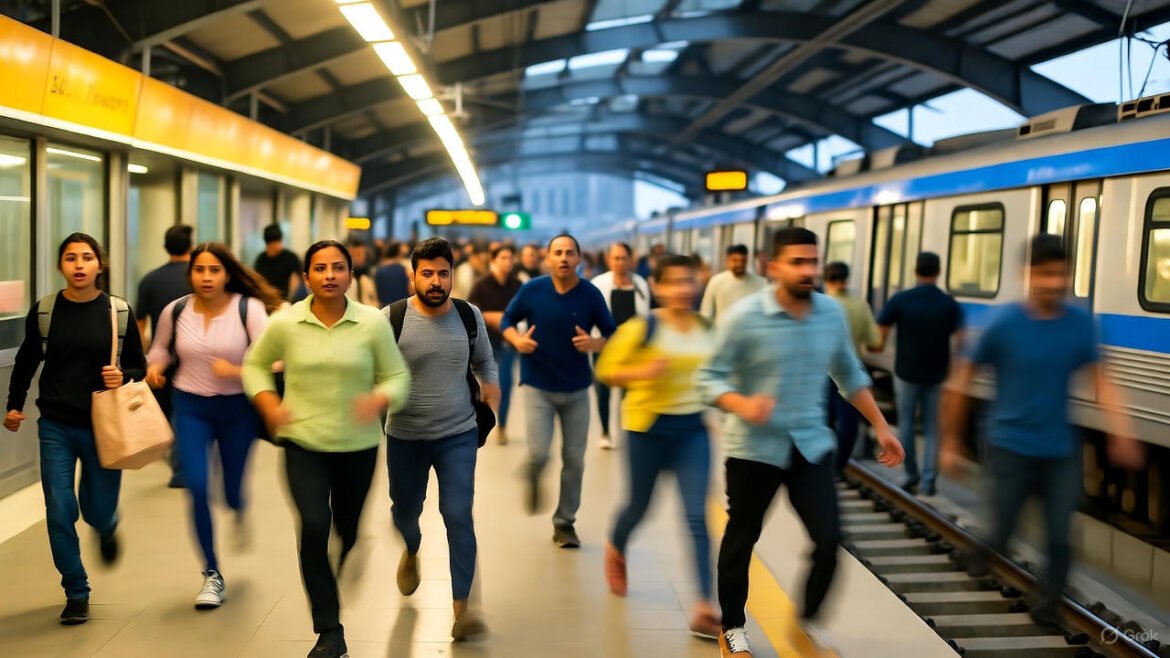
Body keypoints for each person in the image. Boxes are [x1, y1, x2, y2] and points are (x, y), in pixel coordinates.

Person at [698, 227, 905, 658]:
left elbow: (848, 374)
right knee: (742, 537)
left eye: (812, 261)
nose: (808, 270)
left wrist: (882, 427)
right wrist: (742, 403)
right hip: (753, 447)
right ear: (772, 267)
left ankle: (802, 625)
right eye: (797, 262)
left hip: (810, 445)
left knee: (829, 539)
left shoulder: (830, 314)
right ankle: (732, 628)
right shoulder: (744, 317)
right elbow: (708, 378)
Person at [940, 234, 1142, 630]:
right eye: (1044, 274)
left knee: (1061, 537)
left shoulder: (1081, 324)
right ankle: (980, 551)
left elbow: (1101, 381)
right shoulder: (1003, 324)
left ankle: (1047, 606)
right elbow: (962, 380)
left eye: (1060, 275)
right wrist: (949, 441)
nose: (1053, 283)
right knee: (1002, 530)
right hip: (1009, 445)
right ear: (1026, 274)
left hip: (1059, 449)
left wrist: (1122, 431)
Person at [242, 240, 411, 658]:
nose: (330, 275)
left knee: (346, 529)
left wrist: (379, 398)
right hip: (303, 443)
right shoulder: (286, 322)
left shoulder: (372, 323)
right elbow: (255, 365)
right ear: (306, 278)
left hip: (359, 446)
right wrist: (268, 403)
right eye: (320, 268)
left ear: (351, 275)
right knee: (315, 526)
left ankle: (352, 547)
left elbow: (398, 376)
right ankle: (329, 630)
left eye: (338, 267)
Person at [4, 233, 147, 625]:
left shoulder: (117, 312)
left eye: (87, 257)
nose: (79, 264)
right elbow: (27, 360)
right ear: (60, 266)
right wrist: (14, 405)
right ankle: (76, 590)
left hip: (105, 427)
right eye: (71, 258)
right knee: (59, 508)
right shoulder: (46, 310)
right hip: (56, 425)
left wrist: (124, 375)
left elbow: (140, 366)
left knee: (97, 509)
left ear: (100, 265)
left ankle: (107, 525)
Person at [145, 243, 282, 609]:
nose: (206, 277)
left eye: (214, 270)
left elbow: (275, 361)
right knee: (198, 484)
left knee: (232, 489)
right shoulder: (175, 311)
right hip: (190, 408)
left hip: (239, 410)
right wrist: (154, 367)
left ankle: (238, 507)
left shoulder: (247, 309)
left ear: (227, 273)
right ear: (190, 273)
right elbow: (160, 349)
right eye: (199, 270)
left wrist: (236, 371)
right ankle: (212, 572)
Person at [595, 254, 721, 638]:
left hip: (692, 432)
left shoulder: (707, 327)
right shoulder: (641, 328)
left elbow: (718, 372)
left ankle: (703, 605)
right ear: (659, 288)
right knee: (639, 506)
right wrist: (641, 372)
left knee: (698, 518)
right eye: (675, 282)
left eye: (690, 281)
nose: (684, 289)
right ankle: (616, 545)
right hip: (646, 429)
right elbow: (605, 370)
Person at [385, 237, 499, 641]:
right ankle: (412, 548)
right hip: (404, 436)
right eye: (427, 273)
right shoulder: (391, 318)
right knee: (404, 511)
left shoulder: (469, 317)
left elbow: (485, 361)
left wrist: (492, 388)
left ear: (453, 275)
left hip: (458, 433)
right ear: (412, 275)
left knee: (457, 514)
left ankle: (462, 610)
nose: (436, 282)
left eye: (443, 274)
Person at [501, 234, 617, 548]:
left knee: (574, 459)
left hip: (577, 389)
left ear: (580, 259)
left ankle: (565, 523)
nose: (564, 258)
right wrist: (517, 340)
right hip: (538, 385)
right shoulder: (532, 290)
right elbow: (508, 320)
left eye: (570, 253)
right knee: (539, 452)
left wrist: (595, 344)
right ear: (547, 258)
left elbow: (612, 334)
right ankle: (534, 473)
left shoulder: (590, 295)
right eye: (558, 253)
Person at [874, 252, 963, 495]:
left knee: (906, 424)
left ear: (916, 270)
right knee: (933, 427)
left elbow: (880, 333)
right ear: (938, 272)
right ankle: (928, 480)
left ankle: (910, 474)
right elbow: (961, 341)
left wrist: (875, 348)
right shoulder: (948, 303)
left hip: (906, 372)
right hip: (936, 375)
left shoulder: (902, 299)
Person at [136, 224, 195, 488]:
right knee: (184, 411)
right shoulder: (196, 278)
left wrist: (147, 355)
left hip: (159, 359)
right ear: (190, 247)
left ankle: (177, 454)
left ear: (165, 247)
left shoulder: (149, 279)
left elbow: (140, 324)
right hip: (192, 356)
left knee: (169, 408)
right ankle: (183, 462)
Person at [822, 261, 882, 476]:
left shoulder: (821, 304)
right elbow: (875, 342)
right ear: (847, 279)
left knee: (823, 420)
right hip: (851, 372)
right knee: (849, 424)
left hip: (823, 372)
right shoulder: (860, 305)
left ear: (826, 280)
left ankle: (821, 466)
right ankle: (838, 467)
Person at [590, 242, 651, 450]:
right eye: (616, 258)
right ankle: (605, 431)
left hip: (632, 349)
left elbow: (646, 316)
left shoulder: (640, 284)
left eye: (624, 258)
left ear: (631, 260)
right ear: (609, 260)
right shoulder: (598, 283)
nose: (620, 262)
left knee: (629, 393)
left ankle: (626, 429)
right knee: (603, 391)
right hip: (604, 346)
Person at [468, 244, 523, 445]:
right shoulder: (481, 285)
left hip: (509, 341)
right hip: (486, 342)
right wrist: (494, 317)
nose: (508, 262)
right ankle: (480, 423)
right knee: (487, 385)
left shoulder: (518, 285)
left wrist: (504, 320)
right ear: (493, 261)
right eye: (503, 258)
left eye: (510, 258)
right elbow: (472, 312)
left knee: (506, 383)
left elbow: (523, 312)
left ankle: (503, 426)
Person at [700, 244, 767, 325]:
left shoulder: (760, 283)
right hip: (722, 334)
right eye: (735, 260)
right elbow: (706, 313)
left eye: (743, 260)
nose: (739, 264)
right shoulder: (716, 281)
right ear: (727, 260)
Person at [253, 224, 302, 301]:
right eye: (274, 243)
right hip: (267, 301)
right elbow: (258, 281)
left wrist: (289, 301)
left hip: (287, 301)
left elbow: (295, 281)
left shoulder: (291, 258)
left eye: (279, 242)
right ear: (268, 244)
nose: (278, 245)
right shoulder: (261, 259)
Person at [374, 240, 413, 307]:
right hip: (402, 307)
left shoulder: (379, 270)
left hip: (384, 307)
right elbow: (411, 290)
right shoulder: (404, 269)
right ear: (399, 253)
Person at [346, 239, 379, 307]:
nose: (361, 257)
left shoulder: (368, 277)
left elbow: (374, 300)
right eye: (353, 255)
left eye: (361, 254)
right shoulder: (346, 281)